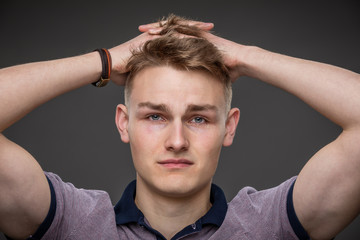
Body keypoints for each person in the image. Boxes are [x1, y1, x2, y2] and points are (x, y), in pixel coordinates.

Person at [0, 14, 359, 240]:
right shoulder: (72, 223)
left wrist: (247, 57)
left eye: (198, 118)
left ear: (229, 127)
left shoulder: (269, 225)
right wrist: (105, 61)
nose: (177, 141)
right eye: (155, 116)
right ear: (124, 123)